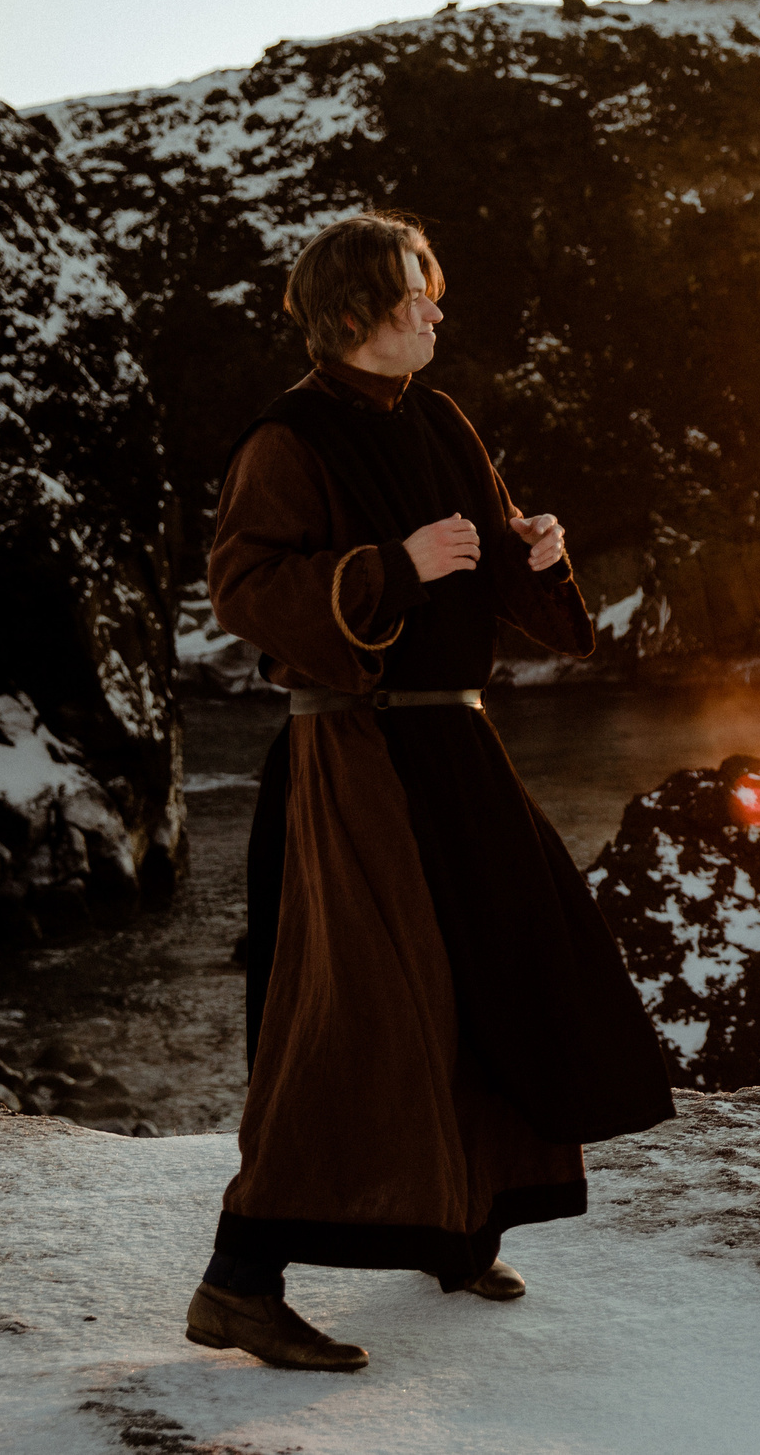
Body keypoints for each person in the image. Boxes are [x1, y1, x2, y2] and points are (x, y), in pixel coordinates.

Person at [186, 212, 674, 1370]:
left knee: (497, 974)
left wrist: (537, 555)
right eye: (417, 294)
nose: (436, 311)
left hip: (456, 743)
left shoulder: (442, 418)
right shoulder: (287, 439)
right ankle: (237, 1283)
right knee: (356, 1013)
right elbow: (242, 588)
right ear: (355, 310)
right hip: (353, 755)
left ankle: (459, 1226)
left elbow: (494, 561)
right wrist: (391, 569)